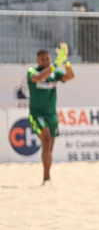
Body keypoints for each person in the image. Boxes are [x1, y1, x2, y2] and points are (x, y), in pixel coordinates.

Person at [27, 45, 75, 184]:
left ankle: (46, 177)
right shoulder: (32, 71)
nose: (45, 61)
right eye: (42, 59)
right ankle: (47, 178)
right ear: (37, 60)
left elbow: (70, 76)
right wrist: (55, 64)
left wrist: (65, 62)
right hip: (37, 114)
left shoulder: (54, 74)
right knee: (46, 140)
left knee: (49, 147)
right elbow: (38, 77)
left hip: (52, 115)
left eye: (47, 59)